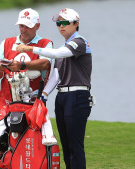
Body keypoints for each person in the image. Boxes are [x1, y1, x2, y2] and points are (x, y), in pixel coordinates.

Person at [16, 8, 94, 169]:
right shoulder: (63, 47)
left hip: (78, 96)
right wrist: (43, 94)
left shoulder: (79, 43)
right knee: (65, 145)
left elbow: (57, 54)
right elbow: (56, 76)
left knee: (75, 146)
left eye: (65, 22)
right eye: (59, 23)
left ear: (76, 23)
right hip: (62, 98)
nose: (61, 26)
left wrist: (31, 49)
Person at [0, 8, 53, 157]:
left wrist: (22, 66)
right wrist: (0, 68)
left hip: (33, 106)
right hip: (7, 104)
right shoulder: (6, 43)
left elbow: (45, 63)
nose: (23, 30)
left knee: (30, 149)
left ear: (37, 26)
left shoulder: (45, 43)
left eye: (28, 26)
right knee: (1, 147)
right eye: (21, 26)